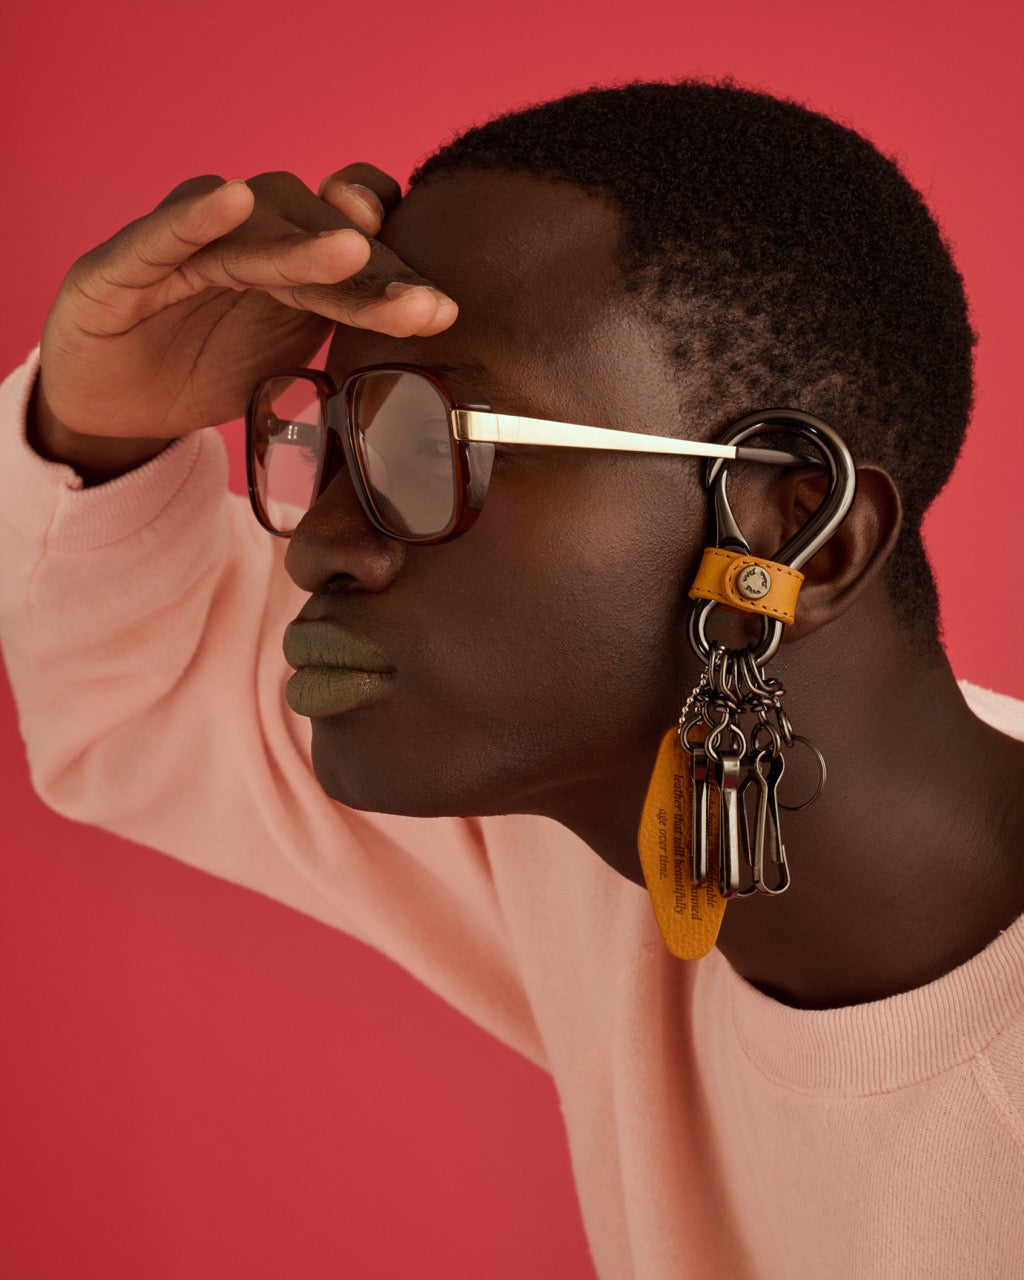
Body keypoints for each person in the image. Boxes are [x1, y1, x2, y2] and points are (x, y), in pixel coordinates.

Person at [1, 81, 1022, 1279]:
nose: (320, 546)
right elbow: (145, 674)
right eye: (333, 435)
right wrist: (102, 417)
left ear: (796, 534)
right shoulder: (632, 846)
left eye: (432, 444)